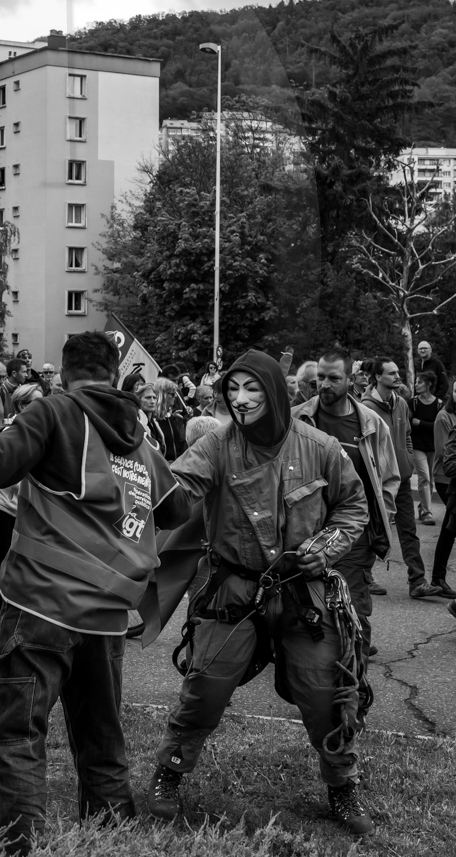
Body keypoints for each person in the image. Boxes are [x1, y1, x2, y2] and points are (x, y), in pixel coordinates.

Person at [0, 332, 191, 850]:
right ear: (115, 376)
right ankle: (111, 841)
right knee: (101, 739)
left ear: (69, 375)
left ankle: (19, 846)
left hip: (41, 605)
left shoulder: (55, 412)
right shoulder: (138, 439)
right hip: (106, 619)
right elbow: (176, 510)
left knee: (15, 735)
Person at [145, 350, 373, 836]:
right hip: (233, 589)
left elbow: (353, 506)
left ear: (275, 393)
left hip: (303, 593)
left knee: (326, 694)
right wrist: (142, 467)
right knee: (205, 688)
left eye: (251, 388)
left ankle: (342, 782)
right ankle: (170, 771)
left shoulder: (322, 447)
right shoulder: (216, 446)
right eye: (233, 389)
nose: (240, 399)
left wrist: (326, 547)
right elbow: (178, 490)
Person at [293, 348, 399, 657]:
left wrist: (381, 517)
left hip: (355, 536)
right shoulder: (298, 418)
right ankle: (315, 687)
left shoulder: (372, 424)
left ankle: (352, 689)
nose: (325, 385)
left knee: (352, 610)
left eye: (333, 378)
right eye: (320, 378)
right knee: (308, 609)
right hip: (306, 534)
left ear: (351, 379)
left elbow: (389, 479)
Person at [362, 357, 441, 598]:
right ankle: (365, 578)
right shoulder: (365, 407)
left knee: (408, 530)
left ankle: (417, 582)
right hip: (377, 482)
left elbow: (407, 435)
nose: (398, 376)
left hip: (403, 480)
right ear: (377, 377)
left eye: (398, 372)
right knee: (371, 528)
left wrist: (406, 461)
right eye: (392, 373)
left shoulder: (401, 404)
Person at [0, 383, 38, 648]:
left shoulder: (32, 432)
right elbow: (4, 472)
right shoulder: (11, 431)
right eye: (38, 401)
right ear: (23, 406)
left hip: (15, 507)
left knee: (11, 568)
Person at [430, 393, 456, 597]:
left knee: (448, 532)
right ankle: (437, 578)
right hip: (445, 481)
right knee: (449, 531)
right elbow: (444, 456)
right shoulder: (444, 417)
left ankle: (437, 578)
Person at [409, 371, 440, 525]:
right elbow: (409, 424)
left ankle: (422, 508)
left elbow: (438, 427)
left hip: (433, 446)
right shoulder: (413, 402)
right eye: (416, 382)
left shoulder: (439, 404)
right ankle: (427, 513)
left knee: (431, 480)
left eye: (419, 382)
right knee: (424, 478)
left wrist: (420, 423)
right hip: (417, 446)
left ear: (428, 384)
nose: (416, 385)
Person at [153, 377, 187, 461]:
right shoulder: (152, 419)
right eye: (172, 394)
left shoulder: (168, 416)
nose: (175, 396)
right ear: (162, 395)